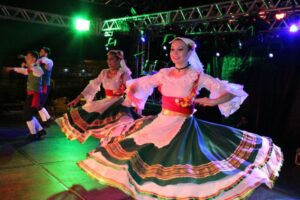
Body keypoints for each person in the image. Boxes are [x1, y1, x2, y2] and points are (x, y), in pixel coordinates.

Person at [77, 37, 283, 199]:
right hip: (162, 121)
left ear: (190, 52)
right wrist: (130, 94)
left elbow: (230, 92)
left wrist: (211, 102)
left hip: (184, 124)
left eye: (180, 49)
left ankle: (176, 193)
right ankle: (152, 191)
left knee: (181, 162)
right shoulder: (165, 73)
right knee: (144, 153)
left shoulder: (196, 75)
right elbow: (142, 84)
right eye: (172, 50)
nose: (175, 54)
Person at [56, 50, 140, 144]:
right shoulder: (104, 72)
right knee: (94, 121)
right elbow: (92, 86)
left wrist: (134, 101)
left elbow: (132, 89)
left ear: (118, 60)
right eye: (108, 59)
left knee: (118, 126)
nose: (108, 61)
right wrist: (78, 98)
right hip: (105, 103)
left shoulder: (124, 74)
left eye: (111, 59)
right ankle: (105, 146)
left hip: (118, 104)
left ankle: (112, 146)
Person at [6, 51, 47, 140]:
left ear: (34, 59)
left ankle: (34, 134)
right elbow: (24, 71)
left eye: (28, 57)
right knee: (29, 114)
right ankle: (40, 130)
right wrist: (13, 68)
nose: (26, 58)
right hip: (31, 95)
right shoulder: (31, 69)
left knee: (27, 115)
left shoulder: (37, 68)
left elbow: (39, 72)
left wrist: (28, 65)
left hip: (35, 95)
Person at [37, 47, 54, 127]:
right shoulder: (40, 61)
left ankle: (48, 119)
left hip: (45, 85)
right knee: (38, 105)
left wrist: (37, 59)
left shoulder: (49, 62)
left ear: (46, 53)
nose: (40, 52)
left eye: (41, 51)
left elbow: (43, 60)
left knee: (39, 105)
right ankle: (46, 120)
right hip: (39, 85)